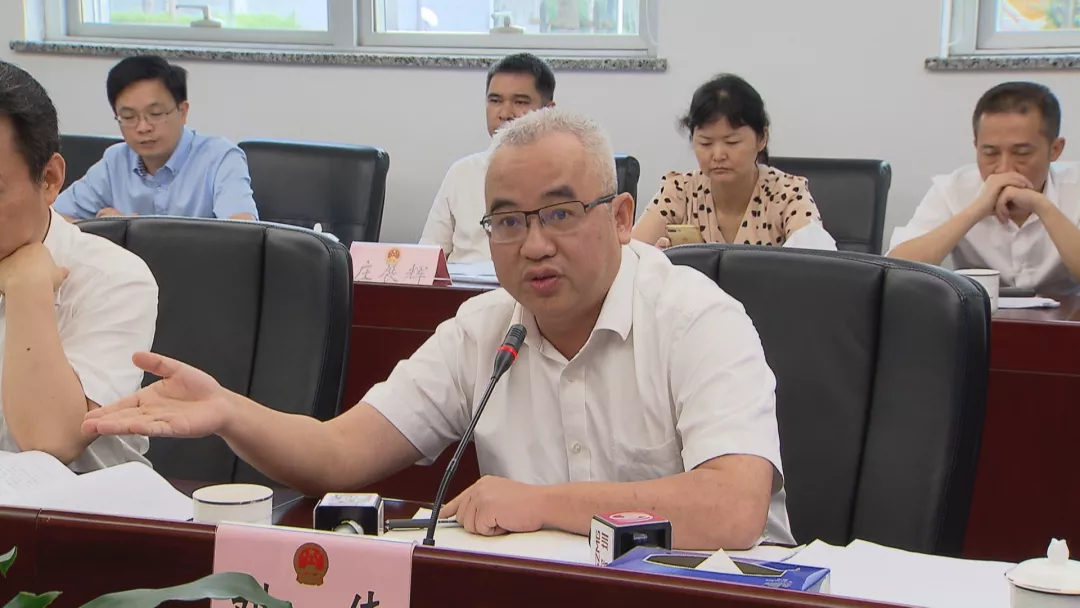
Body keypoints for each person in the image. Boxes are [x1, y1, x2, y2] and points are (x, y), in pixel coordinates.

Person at [84, 108, 793, 550]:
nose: (534, 244)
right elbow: (338, 455)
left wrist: (539, 504)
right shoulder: (484, 329)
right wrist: (228, 411)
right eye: (508, 221)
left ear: (620, 217)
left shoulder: (697, 319)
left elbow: (731, 509)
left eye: (560, 213)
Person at [0, 61, 157, 470]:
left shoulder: (115, 279)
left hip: (72, 507)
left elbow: (48, 441)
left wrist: (28, 287)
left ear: (50, 179)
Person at [889, 82, 1080, 297]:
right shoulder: (952, 189)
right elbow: (895, 272)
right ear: (976, 146)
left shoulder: (1075, 187)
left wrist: (1043, 206)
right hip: (980, 316)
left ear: (1055, 149)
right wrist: (975, 210)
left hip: (1068, 317)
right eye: (990, 153)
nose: (1004, 168)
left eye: (1022, 153)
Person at [632, 74, 835, 250]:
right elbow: (629, 254)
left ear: (762, 138)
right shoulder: (679, 192)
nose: (718, 155)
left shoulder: (787, 194)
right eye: (705, 143)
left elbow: (817, 262)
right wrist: (656, 260)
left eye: (732, 142)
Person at [52, 55, 258, 221]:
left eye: (156, 114)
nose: (143, 127)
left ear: (182, 111)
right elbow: (51, 219)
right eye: (128, 117)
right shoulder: (115, 161)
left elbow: (242, 231)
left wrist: (134, 232)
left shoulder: (220, 157)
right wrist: (106, 231)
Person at [419, 52, 556, 263]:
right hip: (461, 282)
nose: (505, 113)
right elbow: (427, 258)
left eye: (520, 101)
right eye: (495, 100)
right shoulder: (462, 172)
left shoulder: (565, 175)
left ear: (548, 111)